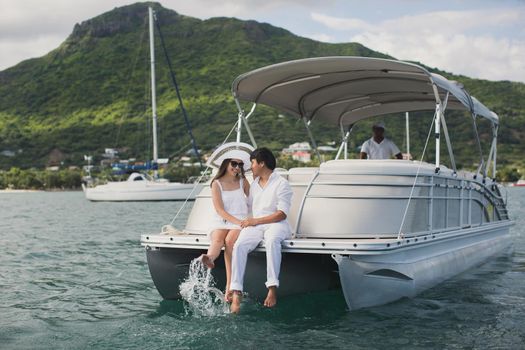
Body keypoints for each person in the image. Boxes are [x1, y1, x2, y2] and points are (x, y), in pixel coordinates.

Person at [229, 148, 293, 314]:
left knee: (272, 241)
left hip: (277, 224)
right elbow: (249, 208)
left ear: (262, 163)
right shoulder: (255, 185)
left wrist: (255, 221)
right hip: (257, 225)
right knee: (240, 245)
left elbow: (281, 214)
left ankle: (272, 289)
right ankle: (236, 292)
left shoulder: (281, 183)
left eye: (253, 162)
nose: (251, 166)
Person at [199, 150, 251, 302]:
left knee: (229, 242)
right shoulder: (216, 183)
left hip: (241, 220)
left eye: (240, 164)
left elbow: (254, 199)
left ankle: (229, 286)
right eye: (234, 164)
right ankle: (209, 258)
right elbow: (219, 210)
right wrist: (235, 221)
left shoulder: (242, 181)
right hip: (222, 219)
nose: (237, 167)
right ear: (225, 164)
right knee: (217, 240)